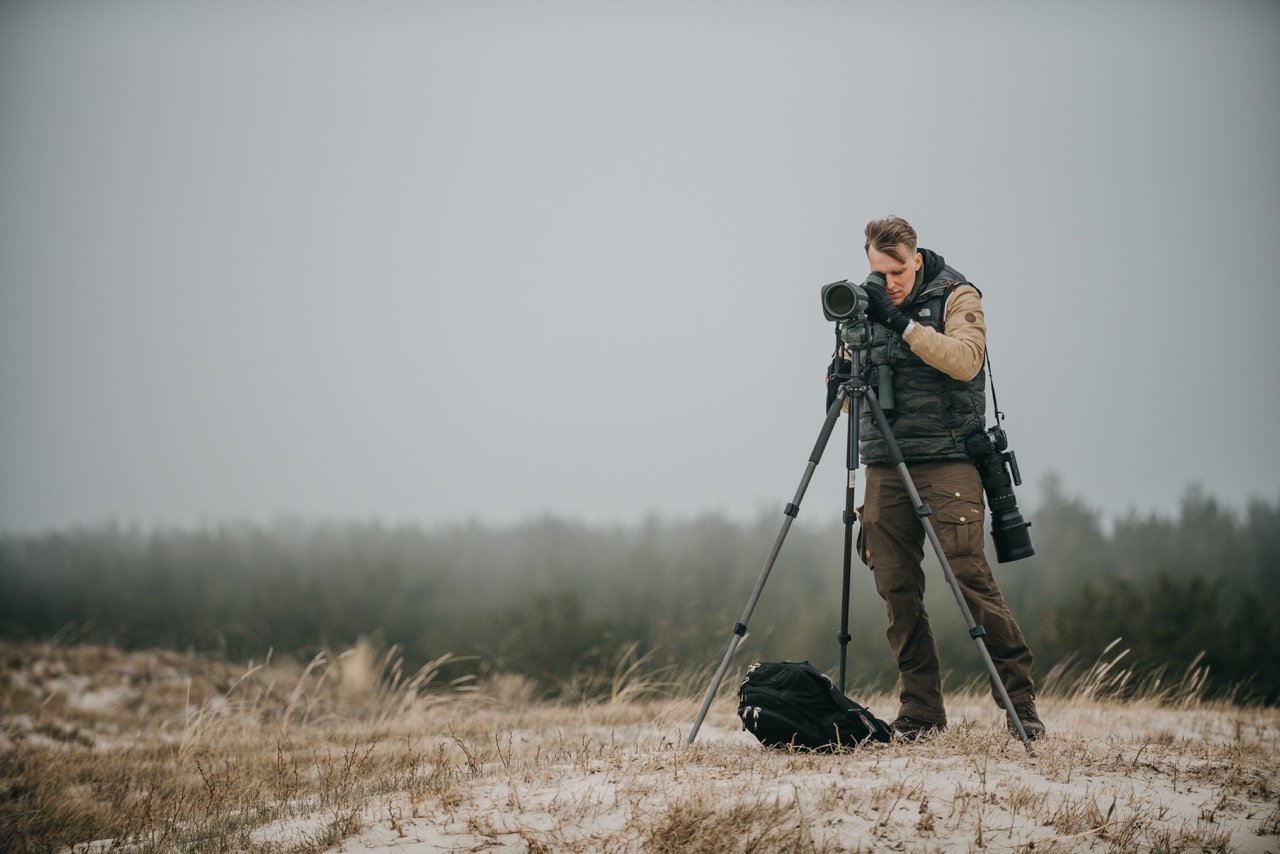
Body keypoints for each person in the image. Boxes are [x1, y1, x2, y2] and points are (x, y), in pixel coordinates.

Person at [849, 215, 1045, 741]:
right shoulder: (865, 300)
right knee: (895, 587)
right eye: (878, 271)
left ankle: (1019, 706)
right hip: (884, 461)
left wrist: (902, 323)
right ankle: (920, 711)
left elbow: (965, 360)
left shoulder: (957, 295)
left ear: (916, 258)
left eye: (896, 271)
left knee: (970, 581)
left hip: (948, 457)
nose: (887, 282)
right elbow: (848, 387)